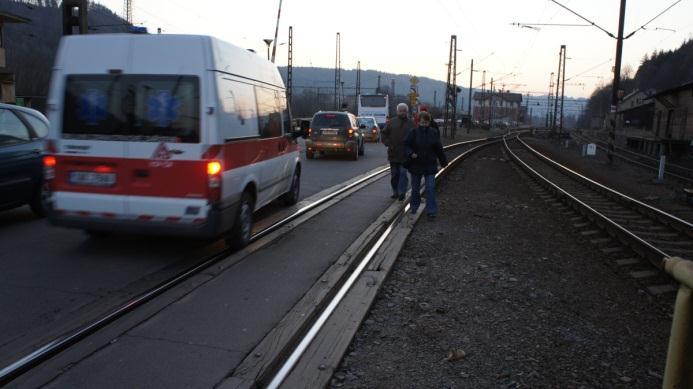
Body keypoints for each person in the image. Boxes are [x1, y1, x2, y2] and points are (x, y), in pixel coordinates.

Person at [404, 111, 448, 218]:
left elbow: (439, 148)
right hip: (416, 164)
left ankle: (431, 211)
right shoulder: (413, 132)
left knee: (430, 187)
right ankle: (414, 207)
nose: (424, 125)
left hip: (430, 165)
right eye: (422, 122)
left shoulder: (433, 133)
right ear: (418, 122)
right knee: (415, 188)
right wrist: (411, 153)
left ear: (429, 122)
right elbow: (406, 145)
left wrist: (443, 162)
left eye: (426, 123)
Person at [381, 103, 415, 201]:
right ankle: (395, 191)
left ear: (407, 112)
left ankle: (402, 193)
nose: (402, 112)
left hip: (405, 154)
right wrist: (388, 144)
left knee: (403, 174)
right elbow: (384, 134)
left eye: (404, 111)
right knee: (395, 175)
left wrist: (412, 149)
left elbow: (415, 137)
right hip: (393, 153)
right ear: (397, 111)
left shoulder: (411, 123)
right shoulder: (391, 122)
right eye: (400, 110)